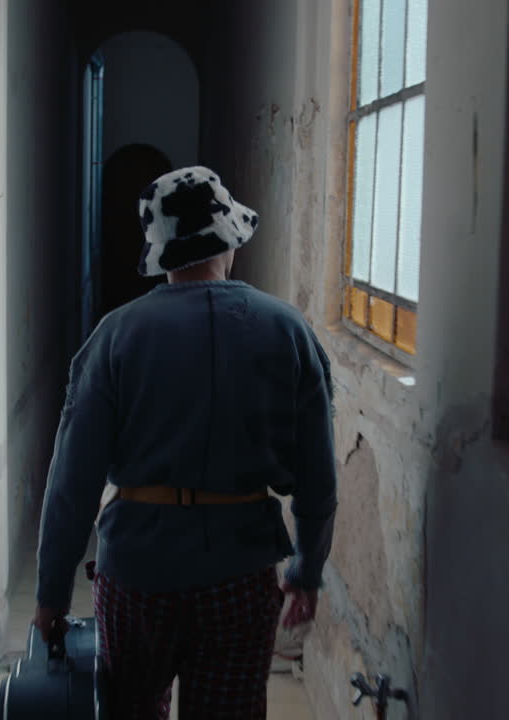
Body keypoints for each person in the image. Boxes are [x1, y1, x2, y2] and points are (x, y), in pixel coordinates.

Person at [33, 166, 337, 719]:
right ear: (232, 240)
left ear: (160, 252)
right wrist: (305, 571)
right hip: (240, 578)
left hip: (137, 577)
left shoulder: (116, 336)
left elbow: (71, 485)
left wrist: (51, 594)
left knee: (128, 708)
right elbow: (318, 479)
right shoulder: (286, 330)